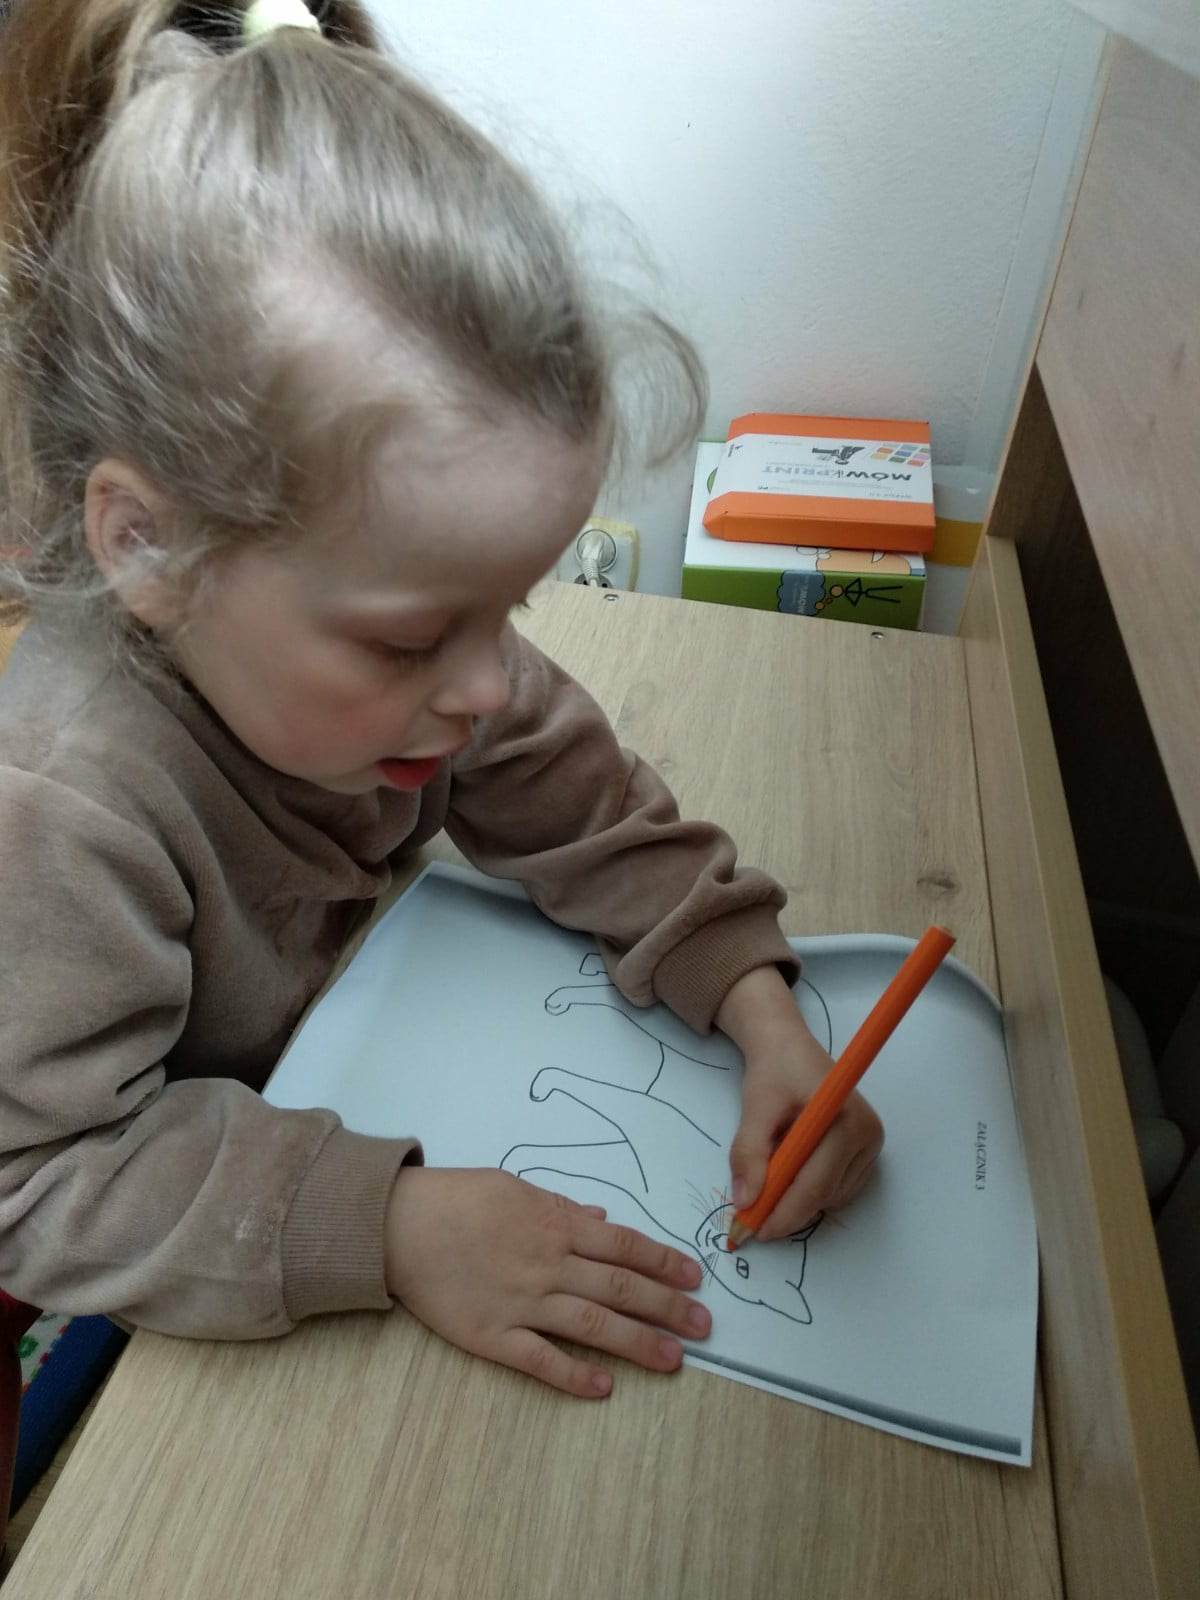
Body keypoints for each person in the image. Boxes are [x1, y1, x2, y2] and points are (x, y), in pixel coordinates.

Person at [0, 0, 882, 1411]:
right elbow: (39, 1176)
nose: (485, 684)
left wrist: (761, 1006)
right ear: (148, 550)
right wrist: (391, 1226)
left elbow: (583, 803)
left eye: (509, 608)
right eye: (414, 637)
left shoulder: (414, 674)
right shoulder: (63, 805)